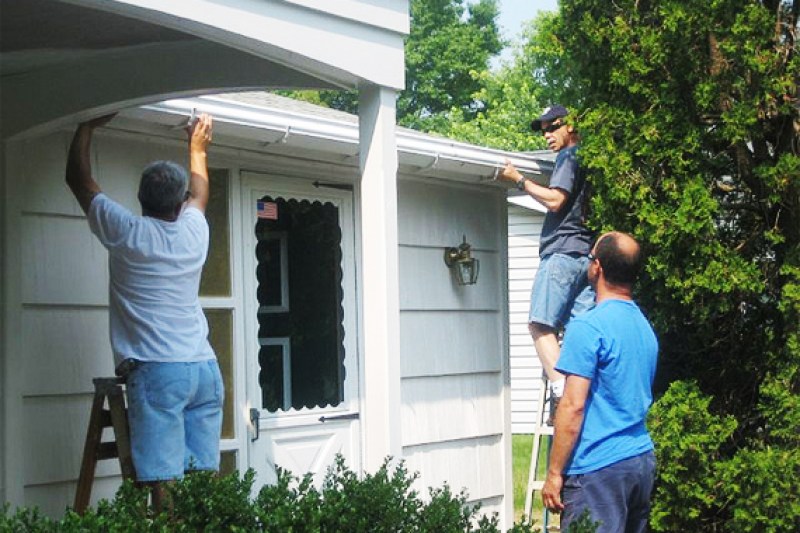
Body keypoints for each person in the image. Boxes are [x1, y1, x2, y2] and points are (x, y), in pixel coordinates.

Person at [65, 113, 223, 494]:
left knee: (162, 482)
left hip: (159, 371)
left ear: (140, 199)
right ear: (180, 203)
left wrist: (86, 127)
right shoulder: (192, 232)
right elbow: (201, 193)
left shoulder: (127, 232)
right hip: (203, 368)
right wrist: (197, 147)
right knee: (203, 481)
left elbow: (79, 181)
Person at [541, 232, 658, 533]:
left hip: (598, 469)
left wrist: (554, 474)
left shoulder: (588, 327)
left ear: (598, 268)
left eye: (591, 258)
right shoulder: (643, 325)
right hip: (639, 461)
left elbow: (573, 405)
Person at [498, 104, 595, 418]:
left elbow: (556, 200)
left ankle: (563, 395)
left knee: (540, 325)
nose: (547, 135)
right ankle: (585, 392)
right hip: (584, 255)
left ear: (569, 126)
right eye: (543, 130)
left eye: (553, 127)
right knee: (581, 332)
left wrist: (518, 179)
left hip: (562, 252)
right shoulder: (589, 159)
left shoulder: (569, 157)